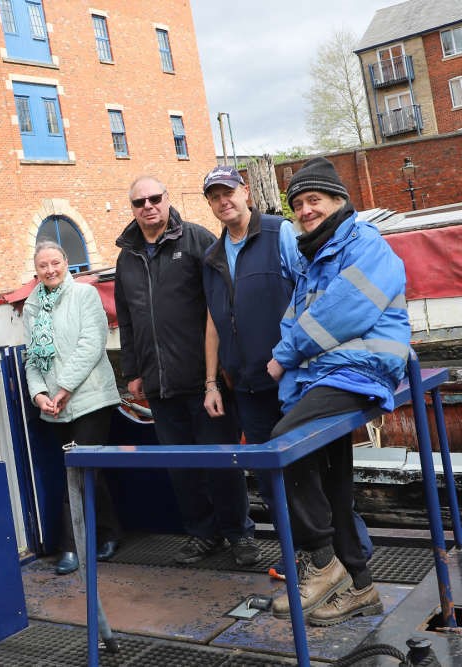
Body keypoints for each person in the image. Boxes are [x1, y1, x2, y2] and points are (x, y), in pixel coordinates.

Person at [199, 166, 374, 578]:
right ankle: (301, 557)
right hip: (245, 385)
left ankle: (352, 556)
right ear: (209, 204)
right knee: (271, 476)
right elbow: (212, 321)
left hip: (291, 379)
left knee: (315, 471)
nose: (224, 202)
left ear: (246, 192)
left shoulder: (280, 234)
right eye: (215, 197)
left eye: (229, 192)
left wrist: (300, 357)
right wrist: (211, 380)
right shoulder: (212, 256)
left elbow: (312, 291)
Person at [267, 157, 410, 626]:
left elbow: (342, 314)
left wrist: (284, 356)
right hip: (329, 377)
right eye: (298, 204)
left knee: (284, 445)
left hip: (360, 373)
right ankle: (362, 587)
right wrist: (293, 378)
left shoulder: (363, 244)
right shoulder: (315, 258)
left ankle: (324, 561)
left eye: (315, 200)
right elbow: (296, 319)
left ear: (338, 203)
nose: (305, 210)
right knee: (333, 482)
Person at [114, 175, 260, 567]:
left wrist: (220, 372)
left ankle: (239, 534)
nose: (148, 206)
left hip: (203, 379)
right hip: (159, 384)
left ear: (166, 200)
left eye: (154, 198)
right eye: (139, 201)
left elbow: (219, 306)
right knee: (182, 468)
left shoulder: (195, 240)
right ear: (132, 208)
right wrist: (133, 370)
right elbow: (126, 320)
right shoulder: (126, 257)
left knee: (221, 463)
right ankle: (202, 534)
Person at [23, 241, 122, 575]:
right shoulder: (32, 306)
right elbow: (31, 357)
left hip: (90, 397)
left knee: (77, 470)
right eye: (43, 266)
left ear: (67, 263)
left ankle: (71, 546)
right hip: (55, 405)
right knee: (88, 469)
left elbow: (91, 345)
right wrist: (39, 394)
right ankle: (110, 532)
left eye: (56, 263)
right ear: (36, 270)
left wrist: (63, 388)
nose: (50, 270)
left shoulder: (84, 295)